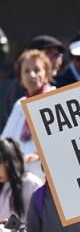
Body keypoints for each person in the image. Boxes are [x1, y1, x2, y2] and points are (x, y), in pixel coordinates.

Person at [2, 49, 55, 178]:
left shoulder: (55, 100)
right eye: (26, 71)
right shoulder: (20, 105)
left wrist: (38, 155)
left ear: (47, 74)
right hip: (21, 179)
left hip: (47, 181)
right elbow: (5, 141)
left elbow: (63, 144)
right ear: (20, 78)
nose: (32, 75)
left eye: (37, 70)